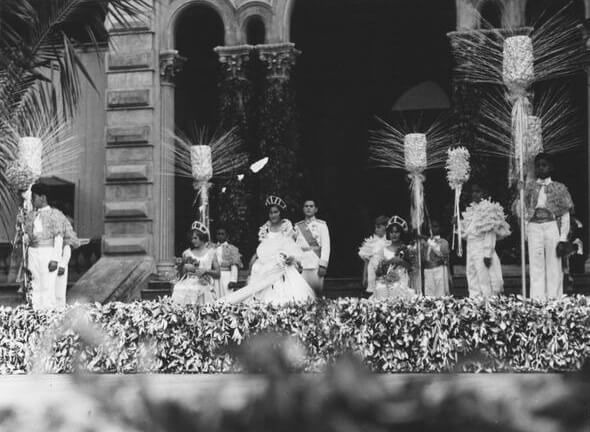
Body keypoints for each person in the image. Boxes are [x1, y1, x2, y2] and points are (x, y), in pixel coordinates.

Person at [222, 195, 315, 304]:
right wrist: (255, 259)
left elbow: (291, 245)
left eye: (276, 212)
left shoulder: (286, 226)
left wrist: (289, 257)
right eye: (271, 213)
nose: (273, 215)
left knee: (284, 291)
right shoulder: (265, 228)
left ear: (280, 213)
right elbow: (263, 247)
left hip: (281, 264)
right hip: (265, 263)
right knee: (258, 277)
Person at [523, 153, 573, 299]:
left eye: (544, 165)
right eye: (538, 166)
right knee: (536, 263)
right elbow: (523, 211)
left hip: (551, 226)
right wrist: (526, 231)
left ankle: (554, 299)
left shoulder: (559, 188)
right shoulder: (529, 188)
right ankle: (537, 298)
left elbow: (564, 214)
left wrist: (563, 238)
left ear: (551, 168)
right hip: (534, 227)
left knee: (553, 263)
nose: (540, 168)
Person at [461, 182, 511, 298]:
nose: (474, 194)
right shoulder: (471, 209)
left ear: (484, 193)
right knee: (472, 273)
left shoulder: (489, 209)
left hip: (482, 247)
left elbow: (490, 233)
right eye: (473, 192)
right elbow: (468, 232)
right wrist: (458, 225)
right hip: (471, 246)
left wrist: (487, 253)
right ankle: (474, 299)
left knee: (484, 276)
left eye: (477, 192)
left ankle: (487, 300)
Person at [23, 183, 66, 310]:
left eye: (34, 197)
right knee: (36, 284)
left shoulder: (55, 214)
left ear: (43, 197)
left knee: (47, 284)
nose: (32, 201)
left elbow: (58, 238)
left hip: (48, 252)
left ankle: (48, 314)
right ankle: (36, 312)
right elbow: (28, 236)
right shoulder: (31, 216)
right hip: (33, 252)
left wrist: (55, 258)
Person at [171, 221, 220, 305]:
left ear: (202, 238)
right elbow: (180, 275)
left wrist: (206, 271)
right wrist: (184, 268)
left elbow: (218, 273)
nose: (193, 241)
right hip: (187, 286)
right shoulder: (187, 253)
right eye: (192, 238)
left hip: (204, 284)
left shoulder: (211, 253)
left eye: (195, 238)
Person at [369, 216, 416, 300]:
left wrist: (401, 261)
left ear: (401, 233)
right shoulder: (383, 250)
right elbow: (379, 270)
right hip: (387, 280)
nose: (394, 234)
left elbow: (411, 268)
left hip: (401, 280)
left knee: (398, 289)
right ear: (388, 233)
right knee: (381, 289)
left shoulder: (406, 249)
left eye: (397, 232)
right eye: (391, 232)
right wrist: (390, 261)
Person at [295, 199, 331, 296]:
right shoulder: (298, 226)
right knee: (301, 295)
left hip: (316, 264)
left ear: (316, 209)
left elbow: (326, 246)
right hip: (302, 265)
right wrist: (296, 263)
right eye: (306, 206)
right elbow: (295, 247)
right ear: (303, 209)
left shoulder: (321, 225)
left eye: (311, 206)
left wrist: (323, 265)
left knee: (316, 294)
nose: (308, 208)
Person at [359, 215, 390, 293]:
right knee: (373, 290)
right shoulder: (371, 242)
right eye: (375, 227)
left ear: (386, 227)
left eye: (379, 227)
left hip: (385, 271)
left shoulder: (389, 242)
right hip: (372, 271)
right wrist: (364, 277)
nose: (376, 229)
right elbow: (366, 262)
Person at [422, 219, 451, 297]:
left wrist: (428, 241)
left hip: (439, 270)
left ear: (440, 228)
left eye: (435, 226)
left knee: (440, 294)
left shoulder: (443, 242)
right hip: (427, 270)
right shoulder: (424, 242)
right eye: (430, 227)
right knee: (428, 295)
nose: (432, 229)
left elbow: (440, 253)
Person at [214, 227, 243, 297]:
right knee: (215, 296)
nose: (220, 236)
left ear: (227, 236)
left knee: (227, 296)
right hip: (214, 275)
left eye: (222, 234)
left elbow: (234, 265)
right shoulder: (212, 247)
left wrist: (233, 280)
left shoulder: (232, 248)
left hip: (226, 275)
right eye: (218, 234)